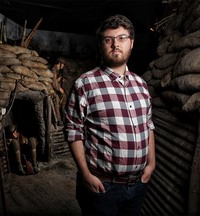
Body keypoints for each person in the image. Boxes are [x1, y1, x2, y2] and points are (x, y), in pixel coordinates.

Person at [64, 14, 156, 216]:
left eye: (122, 38)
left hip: (138, 185)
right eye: (109, 39)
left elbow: (148, 125)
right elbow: (73, 131)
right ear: (101, 45)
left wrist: (151, 164)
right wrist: (85, 174)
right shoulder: (85, 84)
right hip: (102, 187)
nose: (116, 44)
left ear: (131, 43)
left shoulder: (141, 85)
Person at [50, 57, 67, 126]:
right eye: (63, 64)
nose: (63, 66)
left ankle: (63, 117)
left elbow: (54, 80)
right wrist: (60, 89)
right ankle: (58, 120)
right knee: (56, 99)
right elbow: (54, 84)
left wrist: (58, 79)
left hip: (53, 88)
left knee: (63, 97)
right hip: (50, 89)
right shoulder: (53, 69)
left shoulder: (56, 70)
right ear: (59, 63)